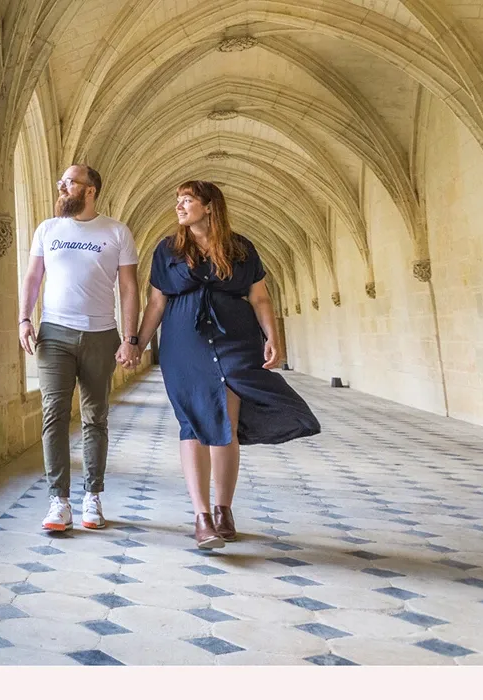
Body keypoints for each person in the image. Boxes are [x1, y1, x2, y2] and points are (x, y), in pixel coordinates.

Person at [132, 180, 321, 548]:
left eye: (187, 200)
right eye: (178, 201)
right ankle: (202, 516)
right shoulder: (168, 249)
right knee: (192, 422)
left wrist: (273, 337)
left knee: (226, 424)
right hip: (184, 345)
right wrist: (137, 343)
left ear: (209, 206)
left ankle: (224, 509)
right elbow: (156, 302)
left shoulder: (240, 248)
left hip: (236, 341)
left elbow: (260, 298)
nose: (180, 206)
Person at [19, 165, 142, 532]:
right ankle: (58, 500)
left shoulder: (117, 232)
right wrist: (24, 319)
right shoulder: (48, 229)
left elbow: (130, 289)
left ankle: (93, 496)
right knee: (53, 414)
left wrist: (130, 338)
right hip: (54, 333)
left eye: (69, 182)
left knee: (95, 417)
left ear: (90, 191)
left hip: (101, 334)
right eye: (62, 181)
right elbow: (32, 277)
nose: (62, 187)